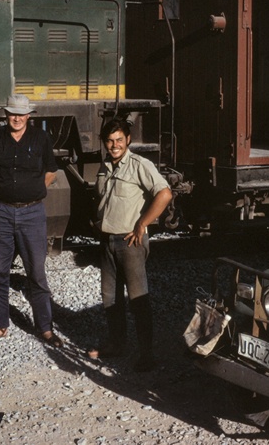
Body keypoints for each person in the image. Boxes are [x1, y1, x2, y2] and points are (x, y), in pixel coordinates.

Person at [0, 94, 63, 347]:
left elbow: (51, 170)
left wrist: (34, 189)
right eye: (12, 113)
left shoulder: (41, 138)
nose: (16, 117)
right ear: (5, 114)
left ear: (28, 116)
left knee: (36, 272)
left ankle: (44, 328)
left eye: (21, 113)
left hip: (32, 213)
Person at [88, 118, 172, 372]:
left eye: (119, 140)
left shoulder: (139, 165)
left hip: (129, 241)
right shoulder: (104, 167)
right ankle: (117, 344)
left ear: (128, 140)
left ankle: (147, 354)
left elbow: (165, 193)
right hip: (107, 242)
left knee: (138, 300)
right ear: (105, 143)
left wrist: (142, 224)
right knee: (110, 299)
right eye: (110, 141)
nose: (114, 145)